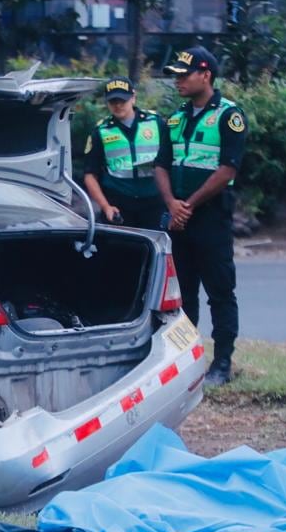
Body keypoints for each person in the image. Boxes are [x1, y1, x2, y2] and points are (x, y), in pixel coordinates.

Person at [154, 46, 246, 386]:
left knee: (220, 292)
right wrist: (171, 204)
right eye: (176, 74)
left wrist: (187, 205)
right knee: (182, 296)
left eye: (184, 74)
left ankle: (222, 363)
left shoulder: (228, 116)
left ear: (205, 75)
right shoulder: (174, 118)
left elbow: (227, 170)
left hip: (210, 219)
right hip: (178, 219)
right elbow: (160, 165)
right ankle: (186, 362)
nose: (177, 80)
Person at [82, 76, 170, 230]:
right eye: (113, 101)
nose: (118, 105)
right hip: (119, 204)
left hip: (154, 202)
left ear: (133, 98)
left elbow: (171, 160)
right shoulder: (101, 131)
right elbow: (90, 175)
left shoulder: (156, 123)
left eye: (122, 100)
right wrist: (106, 206)